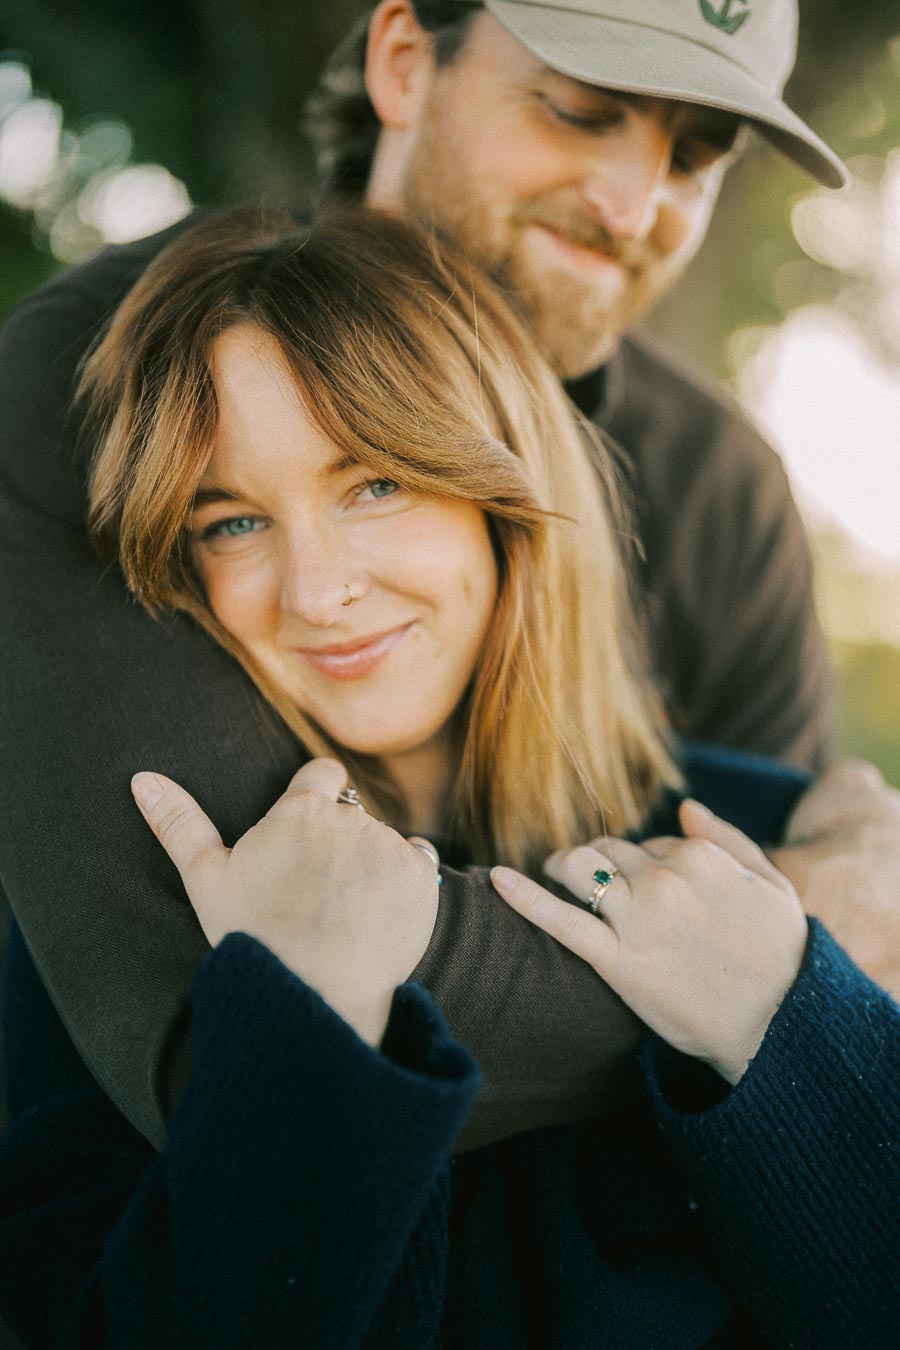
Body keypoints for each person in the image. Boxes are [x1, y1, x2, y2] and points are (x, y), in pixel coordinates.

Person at [0, 0, 894, 1154]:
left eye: (695, 155)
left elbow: (796, 1106)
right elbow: (229, 1023)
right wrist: (782, 964)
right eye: (582, 110)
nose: (633, 206)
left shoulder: (726, 488)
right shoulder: (91, 371)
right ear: (405, 62)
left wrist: (802, 981)